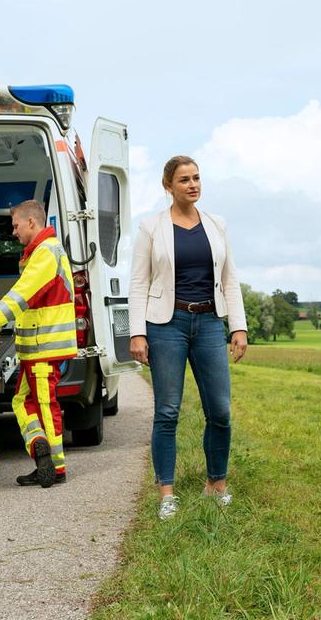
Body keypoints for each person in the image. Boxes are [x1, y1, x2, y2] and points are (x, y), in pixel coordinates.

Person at [128, 155, 248, 520]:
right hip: (167, 324)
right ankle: (167, 491)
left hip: (210, 322)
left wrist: (238, 326)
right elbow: (138, 282)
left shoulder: (217, 225)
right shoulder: (151, 227)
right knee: (167, 411)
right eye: (184, 180)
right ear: (168, 186)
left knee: (221, 411)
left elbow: (229, 278)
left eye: (196, 178)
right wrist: (137, 333)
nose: (192, 184)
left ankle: (217, 483)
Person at [0, 200, 77, 487]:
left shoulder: (47, 251)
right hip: (36, 346)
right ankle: (39, 447)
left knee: (45, 404)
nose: (14, 231)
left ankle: (55, 468)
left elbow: (23, 294)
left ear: (31, 223)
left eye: (16, 225)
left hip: (45, 345)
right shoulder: (39, 252)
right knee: (22, 400)